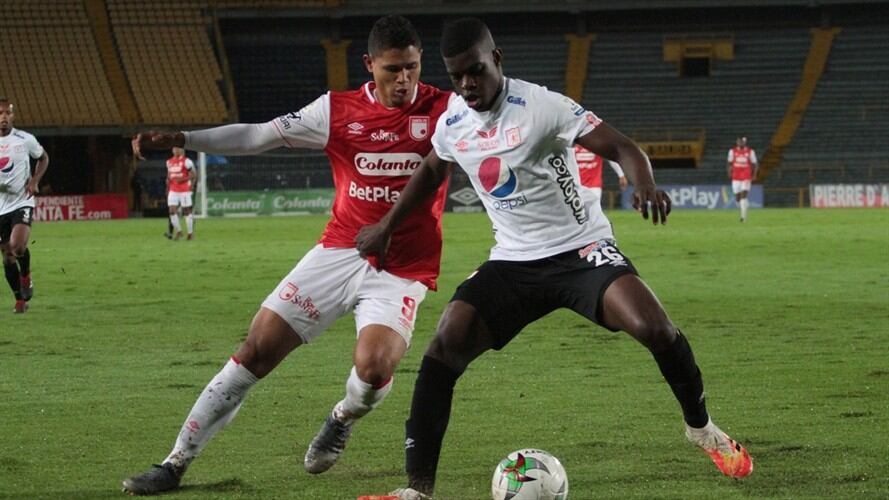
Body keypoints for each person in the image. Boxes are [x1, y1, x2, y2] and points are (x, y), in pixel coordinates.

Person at [354, 18, 752, 499]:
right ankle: (416, 491)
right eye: (457, 76)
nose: (467, 85)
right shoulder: (454, 121)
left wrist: (641, 180)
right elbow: (432, 170)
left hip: (582, 251)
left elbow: (621, 145)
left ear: (496, 60)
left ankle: (702, 429)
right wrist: (386, 227)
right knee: (444, 348)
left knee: (656, 329)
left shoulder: (540, 106)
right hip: (514, 262)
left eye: (476, 71)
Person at [121, 15, 452, 495]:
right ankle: (174, 463)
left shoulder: (447, 109)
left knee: (375, 369)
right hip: (339, 250)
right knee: (255, 350)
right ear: (369, 65)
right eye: (392, 70)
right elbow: (258, 135)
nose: (404, 81)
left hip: (401, 269)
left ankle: (342, 416)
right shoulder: (336, 111)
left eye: (412, 69)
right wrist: (182, 139)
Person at [0, 98, 49, 314]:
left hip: (22, 201)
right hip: (0, 206)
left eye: (7, 113)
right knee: (7, 257)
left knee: (17, 247)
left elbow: (43, 158)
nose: (3, 117)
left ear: (13, 116)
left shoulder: (24, 139)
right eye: (0, 113)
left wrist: (34, 180)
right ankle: (19, 300)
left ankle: (26, 274)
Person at [574, 143, 628, 207]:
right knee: (576, 212)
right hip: (577, 186)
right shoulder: (573, 145)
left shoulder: (597, 146)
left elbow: (611, 159)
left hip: (593, 186)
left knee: (593, 211)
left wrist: (621, 175)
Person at [166, 146, 196, 240]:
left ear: (182, 150)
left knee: (186, 211)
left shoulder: (187, 161)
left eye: (178, 148)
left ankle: (190, 233)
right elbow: (169, 176)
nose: (176, 150)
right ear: (172, 150)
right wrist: (167, 188)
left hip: (184, 190)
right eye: (174, 148)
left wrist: (184, 180)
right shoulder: (169, 162)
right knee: (171, 211)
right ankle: (179, 231)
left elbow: (194, 175)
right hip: (173, 190)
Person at [726, 136, 758, 222]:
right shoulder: (732, 151)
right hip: (736, 176)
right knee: (737, 198)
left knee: (743, 196)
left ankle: (743, 217)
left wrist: (754, 175)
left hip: (746, 176)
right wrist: (729, 172)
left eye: (741, 141)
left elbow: (754, 164)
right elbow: (729, 163)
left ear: (744, 142)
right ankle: (744, 207)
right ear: (736, 142)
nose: (740, 143)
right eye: (738, 141)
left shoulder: (750, 152)